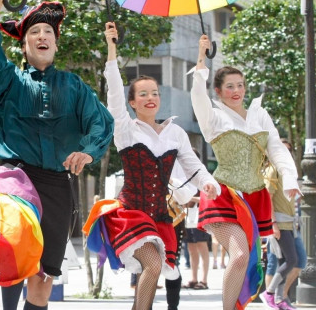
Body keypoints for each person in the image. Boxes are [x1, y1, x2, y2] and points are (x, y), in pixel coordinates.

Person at [0, 0, 114, 310]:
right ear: (24, 45)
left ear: (55, 42)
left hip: (56, 184)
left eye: (48, 32)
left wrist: (88, 152)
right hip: (16, 180)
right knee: (14, 251)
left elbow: (100, 122)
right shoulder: (10, 81)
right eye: (34, 32)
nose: (41, 36)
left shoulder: (74, 85)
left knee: (43, 281)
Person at [83, 23, 219, 310]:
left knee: (155, 270)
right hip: (131, 214)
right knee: (153, 265)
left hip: (161, 217)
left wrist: (207, 182)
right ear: (132, 103)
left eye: (154, 92)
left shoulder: (175, 133)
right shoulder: (125, 130)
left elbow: (193, 166)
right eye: (142, 94)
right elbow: (115, 93)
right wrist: (111, 48)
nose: (150, 98)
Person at [190, 34, 300, 310]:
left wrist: (290, 180)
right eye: (229, 86)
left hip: (256, 196)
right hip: (224, 194)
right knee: (239, 256)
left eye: (240, 85)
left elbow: (277, 149)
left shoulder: (259, 115)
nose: (236, 90)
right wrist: (201, 58)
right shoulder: (213, 118)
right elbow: (197, 95)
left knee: (248, 259)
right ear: (219, 91)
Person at [261, 139, 301, 310]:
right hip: (279, 222)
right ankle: (269, 293)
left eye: (288, 150)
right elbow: (267, 198)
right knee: (292, 260)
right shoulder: (272, 171)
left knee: (284, 260)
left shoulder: (285, 171)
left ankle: (279, 299)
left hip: (288, 222)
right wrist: (273, 224)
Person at [183, 194, 211, 290]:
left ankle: (204, 280)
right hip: (188, 218)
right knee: (191, 248)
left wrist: (189, 197)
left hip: (201, 217)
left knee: (202, 246)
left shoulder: (201, 181)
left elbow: (207, 198)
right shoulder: (185, 181)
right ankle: (194, 279)